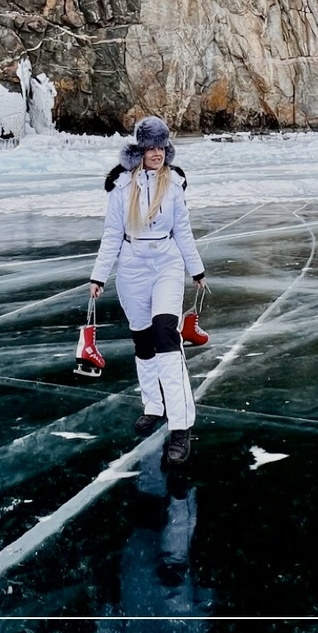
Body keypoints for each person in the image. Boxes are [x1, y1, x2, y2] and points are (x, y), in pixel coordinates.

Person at [89, 116, 207, 465]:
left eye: (161, 147)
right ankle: (154, 406)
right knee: (142, 340)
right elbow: (112, 234)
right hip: (131, 266)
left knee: (165, 336)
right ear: (139, 149)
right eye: (150, 147)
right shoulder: (121, 186)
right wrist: (98, 277)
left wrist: (196, 268)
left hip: (166, 264)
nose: (156, 153)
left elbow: (183, 230)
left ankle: (181, 425)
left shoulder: (174, 184)